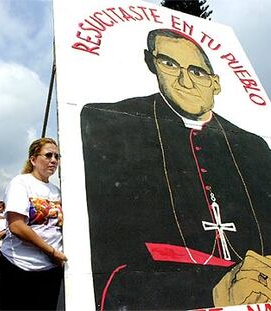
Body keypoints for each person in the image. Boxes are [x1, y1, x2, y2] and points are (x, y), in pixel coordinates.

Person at [80, 28, 271, 309]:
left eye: (197, 71)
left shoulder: (253, 146)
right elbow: (106, 260)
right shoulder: (108, 123)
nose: (185, 81)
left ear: (216, 83)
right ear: (151, 65)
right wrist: (213, 292)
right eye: (169, 64)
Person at [0, 137, 67, 310]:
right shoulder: (20, 183)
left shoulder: (57, 191)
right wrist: (51, 251)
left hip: (50, 271)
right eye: (48, 155)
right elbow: (16, 226)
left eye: (57, 157)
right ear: (33, 159)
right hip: (19, 267)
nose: (53, 160)